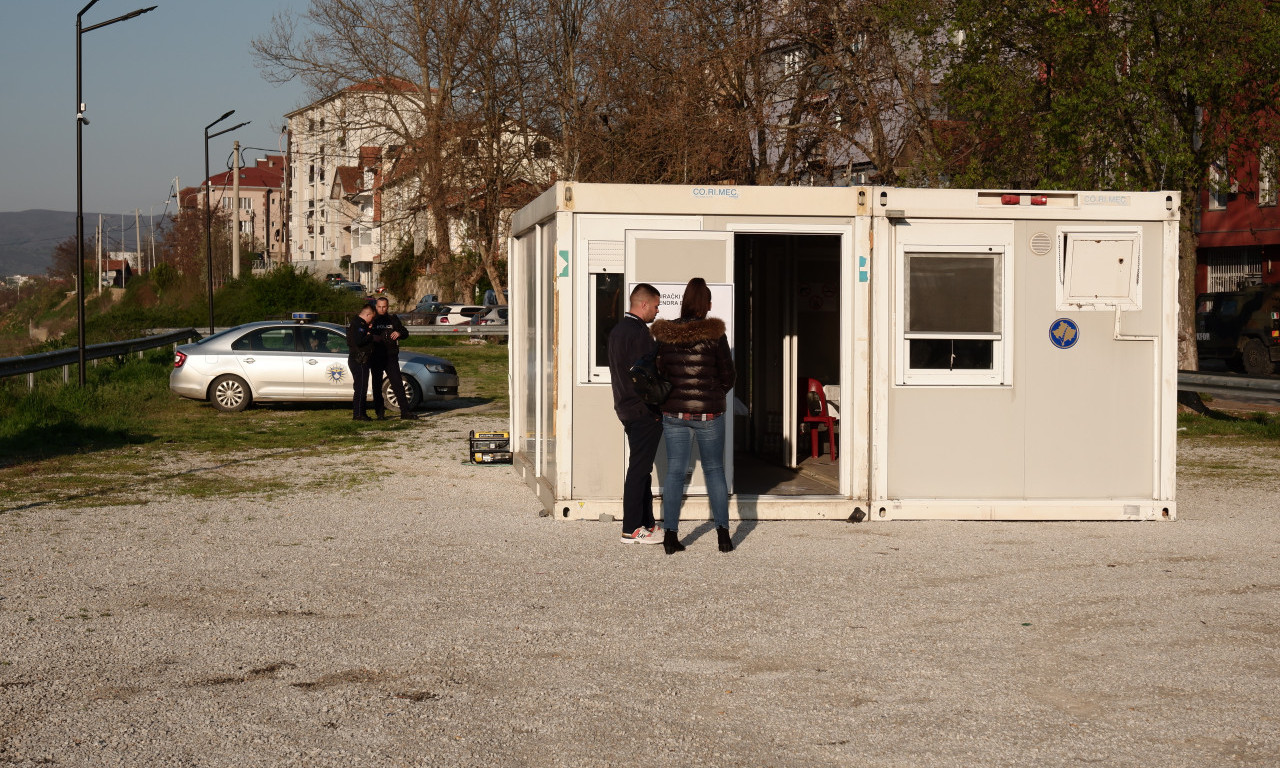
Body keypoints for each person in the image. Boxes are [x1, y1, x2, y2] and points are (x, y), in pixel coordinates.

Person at [651, 278, 736, 554]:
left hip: (674, 412)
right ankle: (723, 536)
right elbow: (728, 376)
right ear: (706, 305)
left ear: (685, 302)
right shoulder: (715, 335)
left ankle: (670, 536)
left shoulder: (666, 334)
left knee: (675, 471)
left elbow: (660, 372)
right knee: (714, 470)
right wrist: (713, 395)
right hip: (709, 414)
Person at [607, 282, 664, 545]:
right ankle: (631, 529)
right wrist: (657, 404)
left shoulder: (618, 331)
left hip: (625, 407)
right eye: (656, 306)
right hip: (642, 410)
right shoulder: (640, 333)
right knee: (639, 470)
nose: (657, 311)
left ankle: (646, 522)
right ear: (643, 304)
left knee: (642, 468)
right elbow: (648, 376)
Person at [370, 296, 417, 420]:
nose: (382, 309)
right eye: (379, 307)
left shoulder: (393, 319)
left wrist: (399, 333)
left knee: (397, 384)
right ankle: (380, 414)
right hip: (376, 356)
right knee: (376, 385)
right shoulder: (372, 319)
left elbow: (405, 332)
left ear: (387, 307)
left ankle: (405, 412)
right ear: (376, 307)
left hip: (391, 356)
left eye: (384, 307)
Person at [346, 305, 379, 421]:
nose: (372, 320)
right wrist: (371, 337)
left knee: (362, 387)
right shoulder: (358, 324)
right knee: (360, 388)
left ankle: (361, 413)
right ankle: (358, 414)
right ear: (368, 314)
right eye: (372, 317)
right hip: (359, 359)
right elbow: (359, 341)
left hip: (359, 359)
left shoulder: (359, 323)